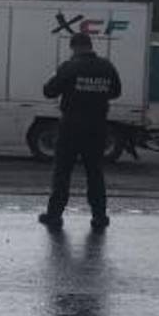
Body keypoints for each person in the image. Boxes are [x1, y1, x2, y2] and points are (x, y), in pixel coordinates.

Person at [39, 32, 122, 231]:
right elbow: (116, 92)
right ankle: (99, 216)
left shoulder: (69, 67)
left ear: (74, 47)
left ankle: (54, 215)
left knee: (62, 172)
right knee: (95, 172)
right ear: (90, 46)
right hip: (97, 126)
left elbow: (49, 91)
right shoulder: (107, 66)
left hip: (71, 126)